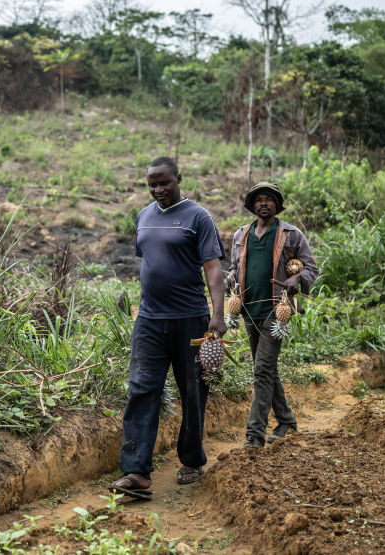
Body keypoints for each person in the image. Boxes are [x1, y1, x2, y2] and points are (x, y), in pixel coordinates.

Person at [109, 156, 227, 500]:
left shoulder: (198, 217)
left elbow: (213, 269)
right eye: (152, 184)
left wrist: (217, 316)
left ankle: (192, 459)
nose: (159, 189)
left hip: (190, 318)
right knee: (142, 389)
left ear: (179, 179)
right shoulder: (143, 217)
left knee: (192, 390)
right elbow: (152, 263)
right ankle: (137, 473)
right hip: (149, 319)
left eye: (165, 183)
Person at [226, 182, 318, 448]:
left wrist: (296, 279)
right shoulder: (241, 234)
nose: (263, 203)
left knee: (262, 370)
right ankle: (286, 420)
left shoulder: (291, 234)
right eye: (258, 200)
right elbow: (234, 267)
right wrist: (229, 278)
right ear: (252, 205)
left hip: (276, 311)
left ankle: (254, 434)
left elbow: (311, 268)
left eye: (269, 199)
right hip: (248, 309)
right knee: (265, 369)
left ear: (277, 205)